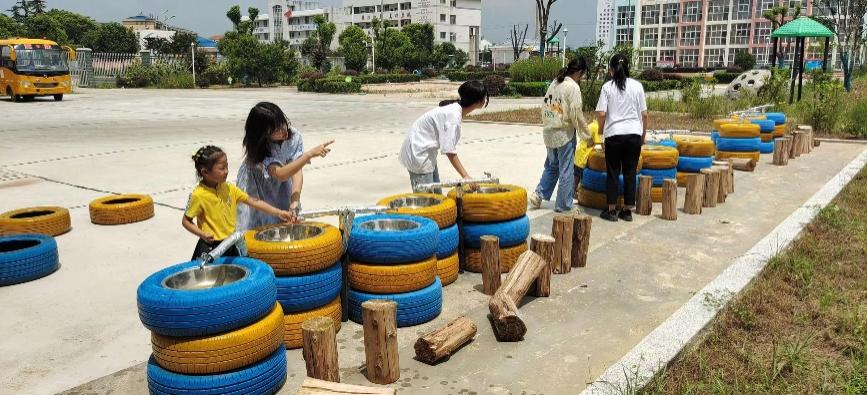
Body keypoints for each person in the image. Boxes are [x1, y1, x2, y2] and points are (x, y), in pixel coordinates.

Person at [183, 145, 294, 260]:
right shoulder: (198, 195)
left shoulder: (229, 188)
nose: (226, 171)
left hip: (231, 243)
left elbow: (254, 202)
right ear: (205, 172)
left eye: (227, 167)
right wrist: (202, 234)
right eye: (222, 168)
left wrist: (279, 212)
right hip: (211, 247)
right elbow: (186, 221)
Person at [236, 102, 333, 230]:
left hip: (280, 185)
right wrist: (308, 155)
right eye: (276, 129)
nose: (283, 130)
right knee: (257, 229)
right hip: (256, 185)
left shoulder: (294, 137)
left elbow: (296, 170)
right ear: (263, 134)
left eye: (283, 122)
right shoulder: (262, 148)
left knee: (284, 220)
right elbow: (280, 174)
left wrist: (294, 200)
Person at [399, 80, 489, 193]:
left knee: (437, 197)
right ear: (478, 101)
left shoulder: (455, 109)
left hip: (425, 152)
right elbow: (449, 150)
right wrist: (466, 176)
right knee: (426, 200)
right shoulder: (453, 116)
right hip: (419, 154)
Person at [529, 57, 591, 212]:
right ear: (579, 72)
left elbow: (546, 105)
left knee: (552, 166)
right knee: (566, 170)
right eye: (582, 75)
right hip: (564, 134)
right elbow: (576, 114)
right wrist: (587, 136)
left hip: (549, 130)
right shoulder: (573, 87)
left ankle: (538, 194)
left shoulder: (555, 82)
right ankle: (563, 204)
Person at [595, 53, 648, 222]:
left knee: (613, 172)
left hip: (614, 135)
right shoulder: (637, 86)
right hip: (634, 134)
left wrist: (601, 133)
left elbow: (602, 114)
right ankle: (627, 210)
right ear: (628, 68)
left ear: (611, 70)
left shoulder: (607, 87)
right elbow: (645, 115)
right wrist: (642, 135)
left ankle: (611, 210)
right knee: (630, 172)